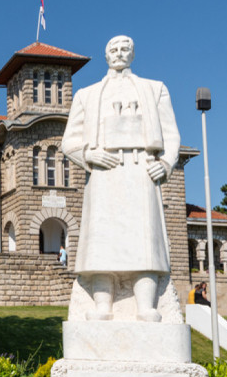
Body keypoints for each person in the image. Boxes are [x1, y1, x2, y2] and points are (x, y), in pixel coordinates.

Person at [61, 35, 180, 322]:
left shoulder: (155, 89)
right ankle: (103, 305)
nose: (119, 53)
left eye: (125, 49)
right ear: (106, 56)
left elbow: (171, 134)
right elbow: (69, 142)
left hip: (141, 169)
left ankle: (146, 306)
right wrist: (89, 154)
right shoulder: (87, 95)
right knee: (102, 241)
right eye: (113, 49)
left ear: (133, 54)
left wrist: (165, 164)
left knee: (144, 241)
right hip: (105, 172)